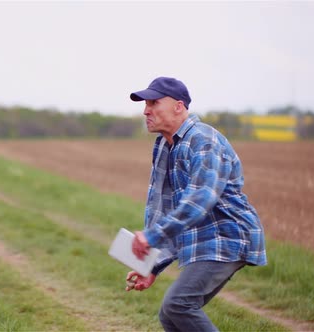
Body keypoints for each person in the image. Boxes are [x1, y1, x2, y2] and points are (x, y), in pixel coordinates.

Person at [125, 76, 267, 332]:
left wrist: (152, 237)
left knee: (179, 305)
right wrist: (153, 265)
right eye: (145, 104)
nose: (146, 110)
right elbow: (164, 209)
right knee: (171, 316)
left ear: (179, 107)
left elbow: (200, 199)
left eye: (154, 102)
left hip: (227, 235)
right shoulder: (165, 146)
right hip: (204, 239)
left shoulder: (203, 140)